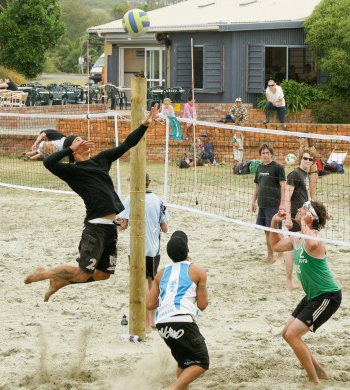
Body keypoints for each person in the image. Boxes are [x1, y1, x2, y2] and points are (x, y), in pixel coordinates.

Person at [24, 104, 160, 302]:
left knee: (103, 275)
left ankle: (61, 280)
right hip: (95, 227)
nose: (84, 142)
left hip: (110, 228)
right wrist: (69, 147)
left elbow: (126, 145)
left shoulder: (101, 160)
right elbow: (48, 162)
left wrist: (144, 125)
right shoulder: (71, 171)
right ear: (72, 149)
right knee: (83, 272)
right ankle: (46, 272)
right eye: (79, 141)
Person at [269, 201, 341, 388]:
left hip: (327, 296)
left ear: (310, 215)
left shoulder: (314, 236)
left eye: (302, 209)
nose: (298, 210)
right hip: (312, 296)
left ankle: (313, 380)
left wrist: (305, 225)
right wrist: (274, 223)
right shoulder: (297, 238)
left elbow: (313, 243)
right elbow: (275, 246)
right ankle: (319, 372)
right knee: (287, 333)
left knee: (293, 335)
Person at [147, 230, 209, 390]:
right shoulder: (198, 271)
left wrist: (168, 295)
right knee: (201, 362)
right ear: (187, 250)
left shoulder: (161, 273)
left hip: (162, 324)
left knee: (184, 362)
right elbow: (202, 305)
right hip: (182, 320)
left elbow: (150, 304)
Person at [116, 173, 170, 331]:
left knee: (140, 283)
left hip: (136, 249)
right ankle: (152, 321)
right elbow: (165, 229)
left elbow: (122, 227)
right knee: (151, 282)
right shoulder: (158, 200)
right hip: (154, 249)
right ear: (149, 183)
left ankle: (145, 324)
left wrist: (115, 222)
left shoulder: (129, 200)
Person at [284, 147, 314, 290]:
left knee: (300, 248)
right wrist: (288, 217)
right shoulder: (295, 174)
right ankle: (289, 282)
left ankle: (294, 281)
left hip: (303, 215)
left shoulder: (305, 175)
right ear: (300, 159)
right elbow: (287, 197)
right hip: (296, 217)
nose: (308, 161)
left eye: (310, 159)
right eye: (305, 158)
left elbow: (307, 198)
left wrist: (315, 212)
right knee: (293, 249)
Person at [251, 143, 286, 263]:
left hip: (273, 206)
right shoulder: (260, 168)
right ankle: (270, 256)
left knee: (276, 232)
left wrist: (282, 204)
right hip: (263, 205)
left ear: (271, 154)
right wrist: (253, 201)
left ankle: (280, 257)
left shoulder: (277, 168)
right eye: (263, 153)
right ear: (261, 155)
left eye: (267, 153)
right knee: (267, 232)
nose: (265, 155)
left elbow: (283, 186)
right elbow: (257, 186)